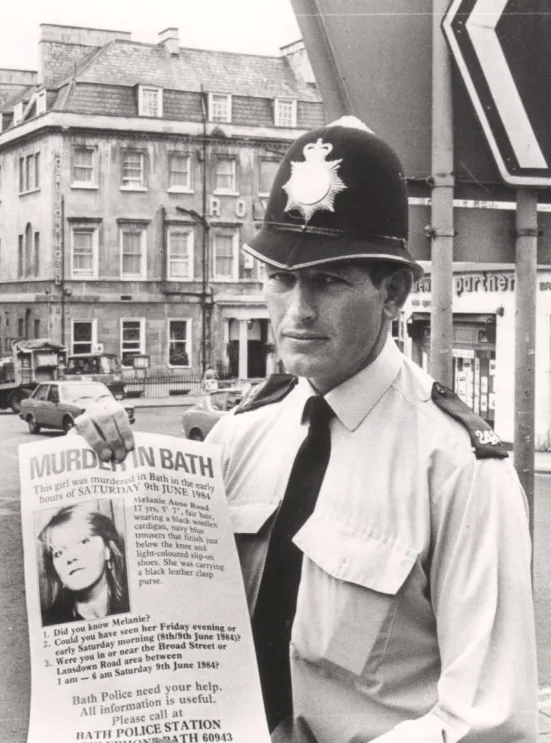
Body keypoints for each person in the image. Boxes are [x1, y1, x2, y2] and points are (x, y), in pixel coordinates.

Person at [75, 118, 537, 742]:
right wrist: (99, 470)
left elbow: (488, 720)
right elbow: (156, 618)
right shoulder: (241, 435)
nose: (297, 312)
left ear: (394, 292)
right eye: (281, 279)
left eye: (328, 281)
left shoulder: (460, 469)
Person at [38, 503, 130, 626]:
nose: (71, 557)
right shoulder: (50, 623)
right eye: (59, 552)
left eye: (83, 541)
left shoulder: (136, 602)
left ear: (107, 550)